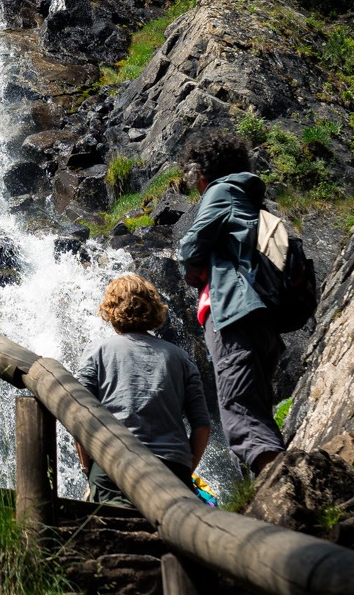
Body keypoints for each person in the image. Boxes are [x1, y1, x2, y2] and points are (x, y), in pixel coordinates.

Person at [176, 128, 285, 478]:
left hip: (235, 314)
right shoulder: (250, 200)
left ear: (201, 172)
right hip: (262, 317)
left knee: (241, 412)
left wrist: (192, 269)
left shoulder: (221, 192)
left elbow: (191, 247)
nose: (194, 186)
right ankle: (272, 488)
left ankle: (283, 491)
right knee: (255, 409)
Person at [73, 273, 212, 505]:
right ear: (153, 308)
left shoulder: (97, 351)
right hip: (172, 469)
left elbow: (79, 415)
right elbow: (202, 426)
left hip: (113, 465)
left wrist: (88, 468)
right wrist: (184, 469)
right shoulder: (180, 357)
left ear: (110, 309)